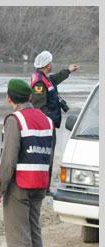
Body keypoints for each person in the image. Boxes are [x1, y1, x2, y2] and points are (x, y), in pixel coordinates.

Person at [0, 79, 53, 247]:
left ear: (10, 99)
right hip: (40, 182)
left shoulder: (14, 119)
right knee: (34, 230)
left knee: (19, 233)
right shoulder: (46, 119)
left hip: (20, 184)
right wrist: (46, 183)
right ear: (29, 97)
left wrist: (0, 189)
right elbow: (50, 154)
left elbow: (8, 159)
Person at [30, 51, 79, 195]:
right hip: (46, 126)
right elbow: (39, 107)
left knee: (48, 156)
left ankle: (44, 187)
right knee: (46, 156)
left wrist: (68, 71)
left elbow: (55, 79)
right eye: (50, 62)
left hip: (49, 124)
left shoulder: (44, 78)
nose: (52, 64)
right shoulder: (39, 82)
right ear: (46, 65)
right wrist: (48, 123)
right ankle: (43, 188)